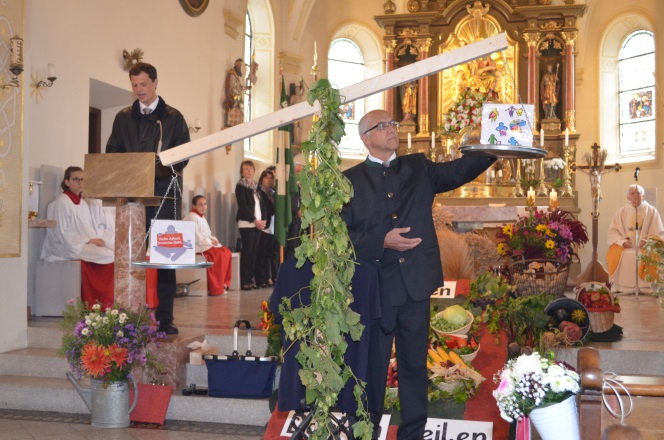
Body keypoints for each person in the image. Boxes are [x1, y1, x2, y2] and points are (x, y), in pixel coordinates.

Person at [340, 110, 495, 439]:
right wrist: (381, 241)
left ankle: (412, 435)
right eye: (381, 126)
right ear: (365, 137)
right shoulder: (349, 181)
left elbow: (459, 170)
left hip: (416, 286)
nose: (391, 129)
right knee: (372, 368)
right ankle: (366, 433)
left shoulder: (418, 166)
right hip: (376, 290)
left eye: (392, 124)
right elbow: (340, 235)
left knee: (413, 368)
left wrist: (496, 143)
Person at [106, 62, 190, 335]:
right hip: (133, 197)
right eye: (134, 85)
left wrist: (157, 166)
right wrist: (131, 170)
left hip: (166, 195)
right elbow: (113, 152)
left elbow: (183, 156)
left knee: (167, 258)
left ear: (155, 83)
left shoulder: (173, 118)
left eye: (143, 84)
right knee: (131, 256)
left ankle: (165, 318)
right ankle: (130, 315)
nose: (139, 90)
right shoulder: (123, 117)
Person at [41, 166, 115, 309]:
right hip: (65, 246)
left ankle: (105, 301)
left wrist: (94, 239)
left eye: (82, 180)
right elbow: (63, 232)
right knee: (107, 256)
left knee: (110, 252)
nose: (80, 183)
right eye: (76, 179)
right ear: (67, 182)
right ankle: (99, 301)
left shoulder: (81, 202)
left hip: (80, 243)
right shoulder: (62, 202)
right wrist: (89, 240)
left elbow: (87, 228)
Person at [607, 184, 664, 293]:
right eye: (633, 193)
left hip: (645, 247)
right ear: (628, 197)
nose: (636, 196)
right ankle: (623, 287)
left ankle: (646, 287)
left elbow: (659, 232)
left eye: (639, 193)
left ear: (644, 196)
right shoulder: (621, 212)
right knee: (621, 254)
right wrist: (622, 242)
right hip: (626, 247)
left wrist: (648, 241)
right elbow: (613, 231)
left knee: (649, 254)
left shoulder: (652, 211)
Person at [183, 195, 232, 296]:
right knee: (218, 255)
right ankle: (215, 287)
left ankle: (223, 283)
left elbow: (208, 234)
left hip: (205, 244)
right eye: (200, 204)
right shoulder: (191, 216)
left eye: (205, 204)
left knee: (227, 252)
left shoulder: (201, 217)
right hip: (197, 246)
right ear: (194, 206)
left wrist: (213, 240)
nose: (203, 207)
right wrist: (210, 241)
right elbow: (195, 237)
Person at [235, 160, 268, 290]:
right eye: (246, 169)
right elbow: (243, 206)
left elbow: (262, 205)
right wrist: (255, 220)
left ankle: (251, 279)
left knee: (254, 252)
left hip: (258, 224)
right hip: (247, 223)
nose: (249, 171)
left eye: (250, 169)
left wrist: (263, 221)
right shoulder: (240, 186)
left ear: (254, 171)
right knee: (248, 252)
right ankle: (245, 281)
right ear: (242, 172)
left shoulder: (256, 187)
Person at [256, 169, 277, 287]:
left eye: (271, 178)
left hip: (272, 225)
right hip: (263, 224)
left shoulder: (273, 192)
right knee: (261, 254)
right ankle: (261, 279)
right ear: (261, 178)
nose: (269, 180)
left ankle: (267, 277)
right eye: (266, 178)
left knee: (269, 253)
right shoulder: (258, 191)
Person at [224, 58, 248, 127]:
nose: (240, 68)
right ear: (237, 66)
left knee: (240, 106)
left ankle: (238, 123)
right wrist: (236, 94)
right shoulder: (232, 74)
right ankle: (233, 123)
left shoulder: (236, 75)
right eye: (240, 66)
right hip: (233, 95)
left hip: (237, 95)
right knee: (238, 105)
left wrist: (245, 88)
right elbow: (232, 86)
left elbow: (238, 87)